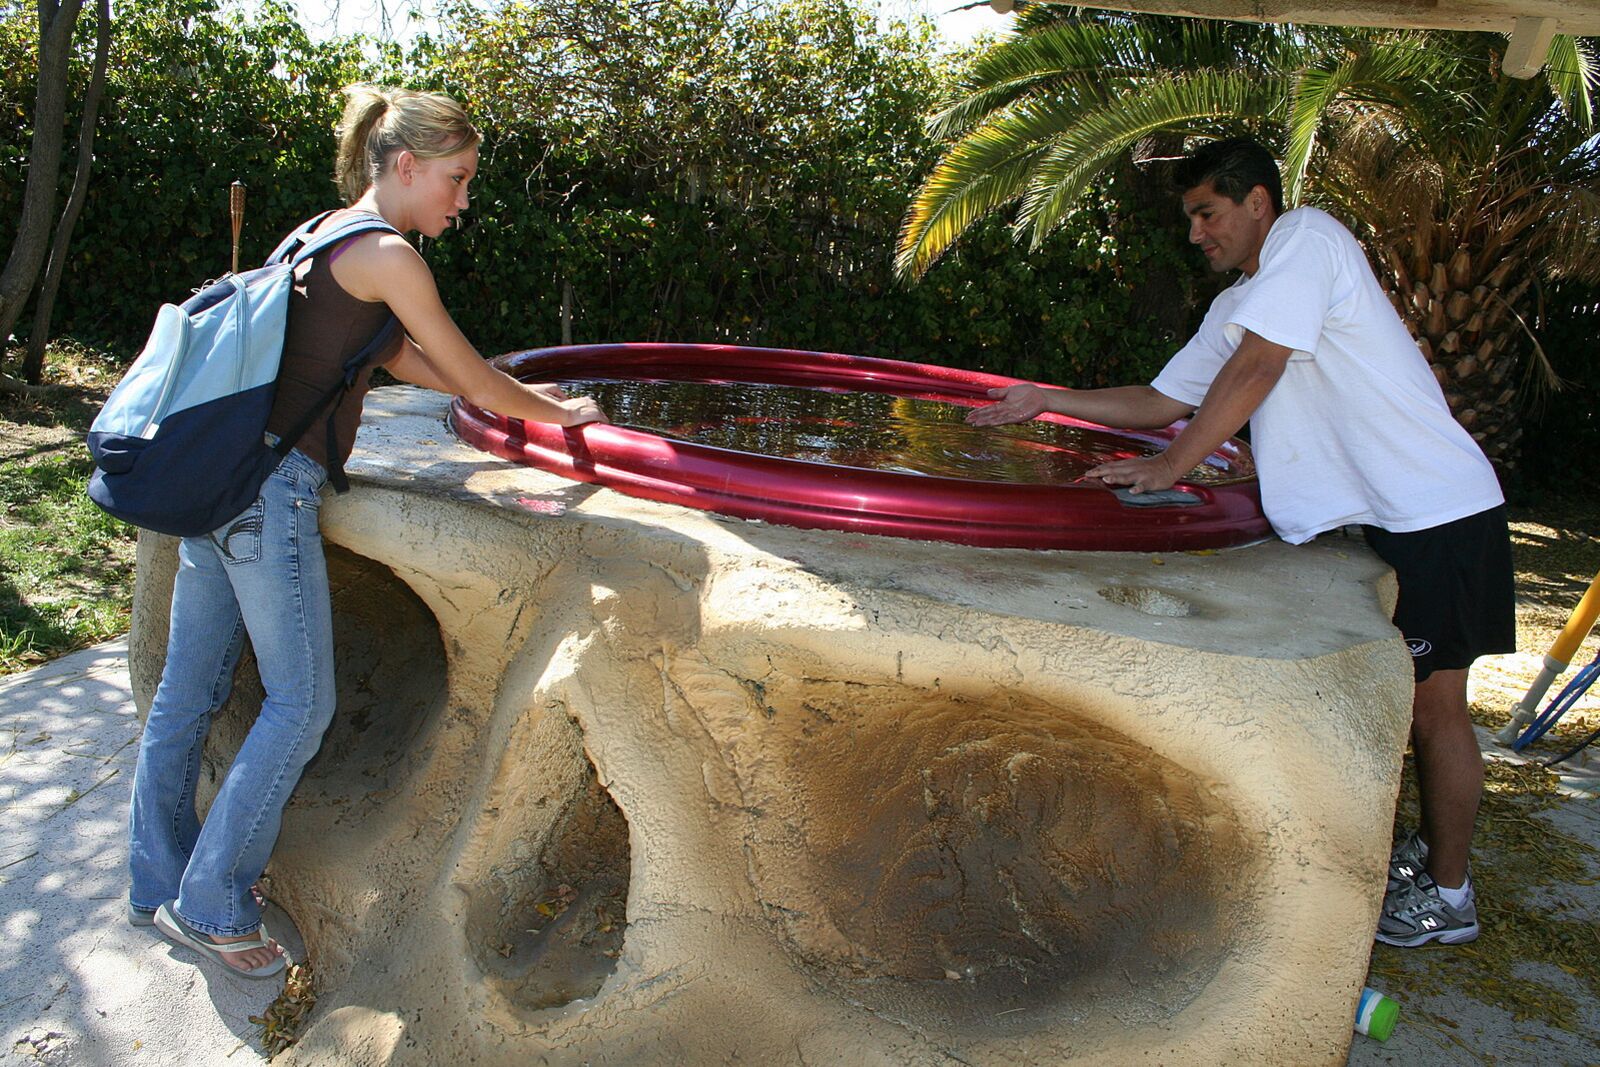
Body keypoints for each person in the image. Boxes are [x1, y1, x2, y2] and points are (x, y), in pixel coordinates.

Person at [968, 136, 1513, 948]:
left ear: (1259, 202)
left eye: (1206, 213)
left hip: (1439, 513)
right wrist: (1047, 399)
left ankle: (1450, 895)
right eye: (1190, 217)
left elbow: (1256, 371)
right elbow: (1161, 399)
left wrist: (1173, 469)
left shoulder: (1309, 238)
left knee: (1437, 713)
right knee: (1413, 707)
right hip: (1396, 520)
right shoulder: (1240, 305)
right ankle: (1430, 858)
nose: (1195, 234)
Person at [127, 84, 607, 978]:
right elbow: (468, 371)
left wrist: (504, 407)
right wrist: (562, 414)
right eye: (457, 180)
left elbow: (408, 362)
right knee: (301, 704)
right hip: (271, 495)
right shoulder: (390, 255)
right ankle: (211, 902)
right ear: (408, 165)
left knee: (186, 696)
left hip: (221, 484)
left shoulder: (321, 233)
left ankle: (157, 880)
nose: (463, 201)